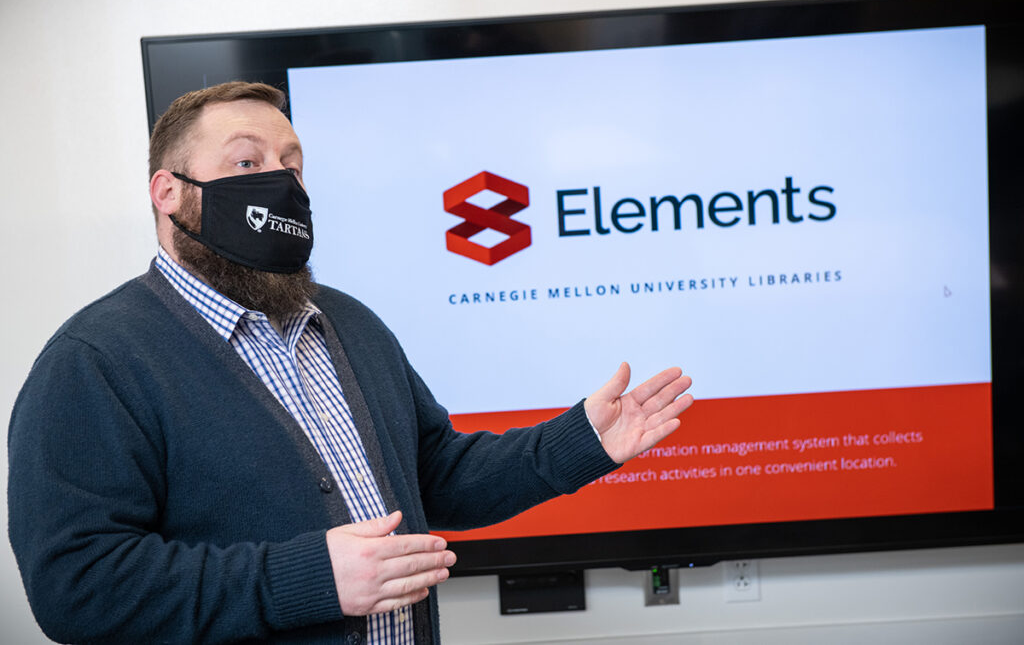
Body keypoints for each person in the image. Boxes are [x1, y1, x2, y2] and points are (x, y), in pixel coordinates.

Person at [8, 81, 694, 644]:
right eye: (247, 164)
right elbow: (78, 587)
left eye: (292, 164)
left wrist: (582, 442)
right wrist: (310, 577)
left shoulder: (345, 320)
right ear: (168, 191)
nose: (279, 182)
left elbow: (440, 477)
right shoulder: (94, 361)